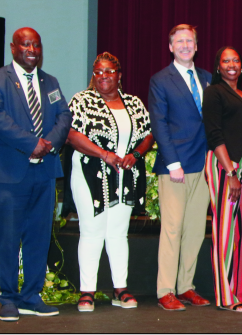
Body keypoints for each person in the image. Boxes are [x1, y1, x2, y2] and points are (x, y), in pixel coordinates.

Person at [66, 52, 155, 312]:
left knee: (118, 233)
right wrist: (104, 154)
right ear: (93, 76)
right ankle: (87, 291)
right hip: (89, 174)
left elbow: (147, 134)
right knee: (92, 231)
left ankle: (120, 289)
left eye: (109, 71)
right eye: (98, 72)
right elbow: (71, 135)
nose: (103, 76)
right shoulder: (82, 101)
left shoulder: (133, 102)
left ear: (119, 75)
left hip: (124, 175)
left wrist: (135, 155)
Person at [0, 27, 72, 321]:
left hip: (44, 174)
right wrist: (31, 143)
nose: (32, 50)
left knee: (39, 237)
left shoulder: (49, 81)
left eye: (36, 45)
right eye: (26, 45)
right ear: (13, 48)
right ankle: (9, 299)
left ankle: (31, 296)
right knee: (10, 238)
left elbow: (65, 115)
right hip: (10, 174)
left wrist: (48, 143)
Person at [148, 24, 212, 311]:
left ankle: (186, 287)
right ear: (171, 47)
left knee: (196, 230)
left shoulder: (208, 78)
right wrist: (173, 163)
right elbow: (159, 124)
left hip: (204, 164)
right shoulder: (160, 80)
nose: (185, 45)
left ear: (196, 46)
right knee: (172, 229)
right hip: (175, 166)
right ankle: (165, 290)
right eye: (180, 41)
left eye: (190, 41)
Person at [202, 46, 242, 312]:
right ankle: (226, 296)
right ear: (218, 66)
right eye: (226, 60)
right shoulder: (214, 92)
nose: (232, 64)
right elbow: (214, 134)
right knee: (225, 232)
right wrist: (230, 173)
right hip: (225, 165)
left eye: (236, 59)